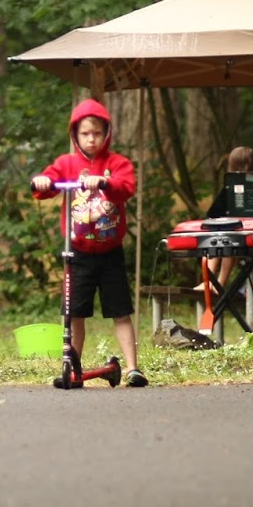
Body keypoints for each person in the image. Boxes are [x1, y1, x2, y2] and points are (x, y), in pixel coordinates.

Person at [31, 99, 148, 387]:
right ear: (75, 135)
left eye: (97, 133)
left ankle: (133, 368)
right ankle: (73, 367)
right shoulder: (67, 164)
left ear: (106, 133)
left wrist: (105, 182)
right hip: (78, 253)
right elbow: (48, 182)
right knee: (74, 314)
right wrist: (43, 181)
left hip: (110, 252)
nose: (91, 139)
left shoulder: (117, 164)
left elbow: (126, 187)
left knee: (120, 311)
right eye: (85, 133)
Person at [201, 146, 253, 295]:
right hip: (242, 230)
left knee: (225, 240)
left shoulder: (232, 186)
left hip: (246, 232)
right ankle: (210, 283)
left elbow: (214, 212)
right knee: (219, 238)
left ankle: (217, 283)